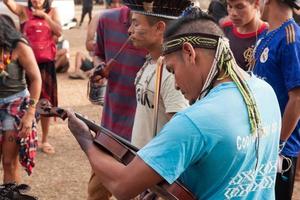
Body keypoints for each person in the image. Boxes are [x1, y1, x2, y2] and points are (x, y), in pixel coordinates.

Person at [67, 6, 281, 200]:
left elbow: (122, 186)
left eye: (171, 70)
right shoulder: (265, 91)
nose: (176, 84)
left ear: (188, 52)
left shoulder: (196, 120)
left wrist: (85, 139)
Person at [85, 5, 148, 200]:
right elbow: (98, 54)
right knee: (96, 192)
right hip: (112, 126)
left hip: (148, 131)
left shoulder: (163, 22)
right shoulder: (107, 19)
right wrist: (99, 69)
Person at [253, 0, 300, 199]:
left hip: (279, 150)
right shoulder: (266, 34)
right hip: (259, 141)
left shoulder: (292, 38)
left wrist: (278, 143)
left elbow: (297, 98)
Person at [127, 1, 189, 148]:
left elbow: (179, 135)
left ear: (159, 28)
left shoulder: (172, 73)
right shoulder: (151, 61)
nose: (130, 30)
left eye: (136, 24)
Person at [4, 0, 62, 155]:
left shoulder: (52, 12)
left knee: (45, 101)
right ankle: (22, 137)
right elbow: (8, 3)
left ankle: (44, 140)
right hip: (25, 63)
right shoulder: (23, 11)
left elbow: (59, 31)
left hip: (45, 63)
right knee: (23, 101)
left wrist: (45, 16)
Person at [0, 16, 41, 184]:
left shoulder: (19, 46)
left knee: (9, 163)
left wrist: (30, 113)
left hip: (15, 106)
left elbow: (36, 79)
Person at [222, 0, 267, 71]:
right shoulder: (225, 29)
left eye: (240, 7)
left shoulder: (268, 35)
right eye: (230, 6)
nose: (233, 13)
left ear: (256, 4)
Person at [69, 12, 101, 80]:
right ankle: (77, 71)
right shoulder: (94, 38)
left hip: (100, 65)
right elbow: (91, 51)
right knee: (79, 54)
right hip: (93, 63)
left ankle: (88, 73)